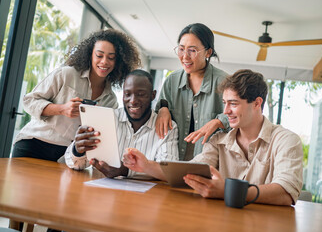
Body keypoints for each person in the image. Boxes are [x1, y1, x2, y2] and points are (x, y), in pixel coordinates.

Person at [123, 69, 303, 206]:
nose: (225, 112)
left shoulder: (286, 141)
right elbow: (187, 172)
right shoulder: (218, 141)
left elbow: (286, 193)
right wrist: (146, 165)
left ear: (257, 103)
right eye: (225, 103)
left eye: (233, 104)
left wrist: (229, 191)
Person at [12, 29, 141, 163]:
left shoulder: (111, 100)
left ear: (118, 61)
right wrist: (62, 109)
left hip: (66, 156)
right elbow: (29, 101)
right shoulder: (66, 74)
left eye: (111, 57)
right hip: (34, 144)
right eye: (99, 55)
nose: (104, 62)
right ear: (90, 55)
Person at [64, 69, 179, 179]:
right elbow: (75, 164)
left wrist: (125, 170)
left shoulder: (168, 127)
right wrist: (77, 150)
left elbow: (169, 172)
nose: (133, 100)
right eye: (127, 94)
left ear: (153, 95)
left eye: (141, 94)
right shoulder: (106, 119)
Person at [155, 23, 229, 161]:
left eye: (192, 51)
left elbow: (237, 116)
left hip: (210, 159)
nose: (185, 57)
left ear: (208, 52)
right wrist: (163, 108)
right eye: (181, 49)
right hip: (173, 156)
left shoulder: (224, 81)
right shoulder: (171, 80)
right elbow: (160, 108)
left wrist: (218, 122)